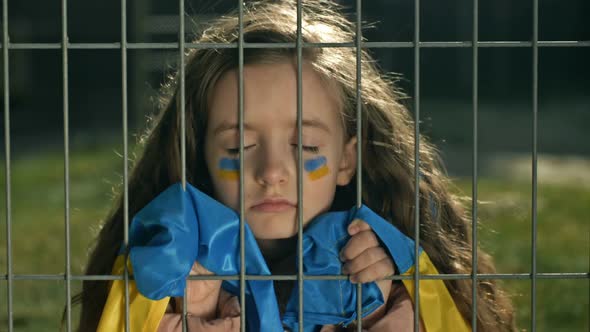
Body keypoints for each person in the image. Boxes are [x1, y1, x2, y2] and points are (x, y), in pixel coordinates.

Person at [72, 0, 516, 331]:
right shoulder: (164, 266)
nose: (271, 171)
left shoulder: (389, 269)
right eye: (239, 146)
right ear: (199, 157)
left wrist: (380, 303)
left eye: (303, 146)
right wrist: (199, 313)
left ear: (347, 159)